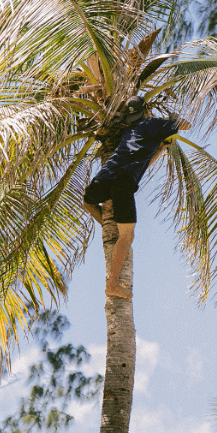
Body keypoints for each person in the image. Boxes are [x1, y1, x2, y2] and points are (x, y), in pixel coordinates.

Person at [83, 111, 184, 299]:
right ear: (145, 111)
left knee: (87, 202)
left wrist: (160, 148)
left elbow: (143, 163)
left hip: (103, 178)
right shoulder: (153, 123)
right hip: (123, 184)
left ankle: (110, 223)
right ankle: (112, 285)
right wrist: (174, 119)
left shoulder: (128, 131)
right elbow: (184, 124)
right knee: (127, 236)